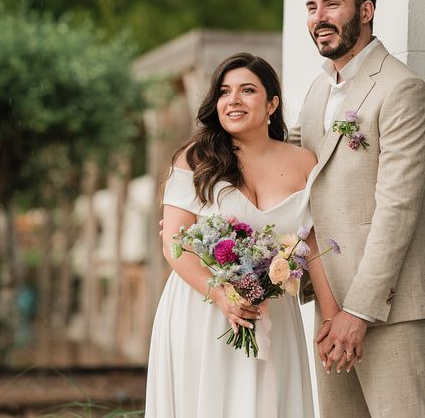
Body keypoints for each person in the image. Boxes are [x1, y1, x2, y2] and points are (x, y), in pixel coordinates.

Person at [145, 53, 341, 417]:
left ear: (272, 104)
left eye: (247, 90)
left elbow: (312, 246)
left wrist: (331, 319)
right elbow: (174, 245)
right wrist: (222, 297)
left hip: (274, 316)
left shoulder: (304, 163)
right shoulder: (195, 159)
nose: (233, 99)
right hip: (201, 310)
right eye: (224, 91)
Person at [289, 0, 425, 417]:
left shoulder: (402, 90)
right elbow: (289, 163)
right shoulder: (318, 90)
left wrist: (359, 312)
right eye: (312, 7)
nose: (319, 18)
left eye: (332, 5)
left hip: (385, 306)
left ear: (366, 10)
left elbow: (398, 209)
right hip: (328, 302)